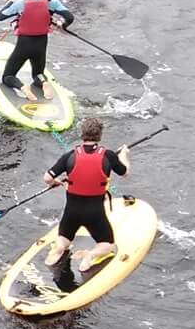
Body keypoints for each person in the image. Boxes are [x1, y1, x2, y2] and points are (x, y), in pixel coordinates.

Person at [41, 115, 131, 282]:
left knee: (64, 239)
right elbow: (125, 172)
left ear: (82, 134)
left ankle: (59, 248)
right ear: (100, 135)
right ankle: (90, 255)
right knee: (108, 244)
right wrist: (124, 154)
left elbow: (47, 178)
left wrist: (56, 183)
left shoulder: (69, 155)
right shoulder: (109, 156)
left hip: (72, 211)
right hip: (95, 213)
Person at [0, 0, 74, 104]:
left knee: (8, 76)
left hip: (24, 44)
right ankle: (43, 82)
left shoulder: (20, 3)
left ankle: (22, 86)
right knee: (38, 73)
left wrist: (10, 2)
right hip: (41, 44)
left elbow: (0, 17)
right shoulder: (52, 2)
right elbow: (69, 17)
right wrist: (62, 25)